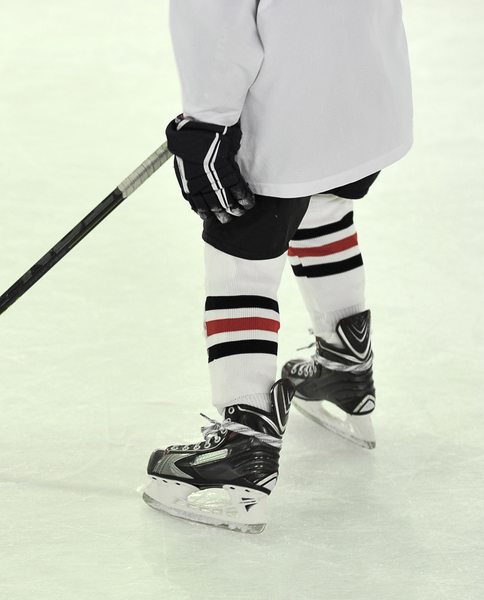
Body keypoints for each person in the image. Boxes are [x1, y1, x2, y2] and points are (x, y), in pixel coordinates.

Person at [142, 0, 414, 534]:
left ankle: (242, 448)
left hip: (284, 106)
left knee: (241, 257)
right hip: (368, 87)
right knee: (323, 200)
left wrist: (206, 125)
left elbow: (217, 21)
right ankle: (344, 365)